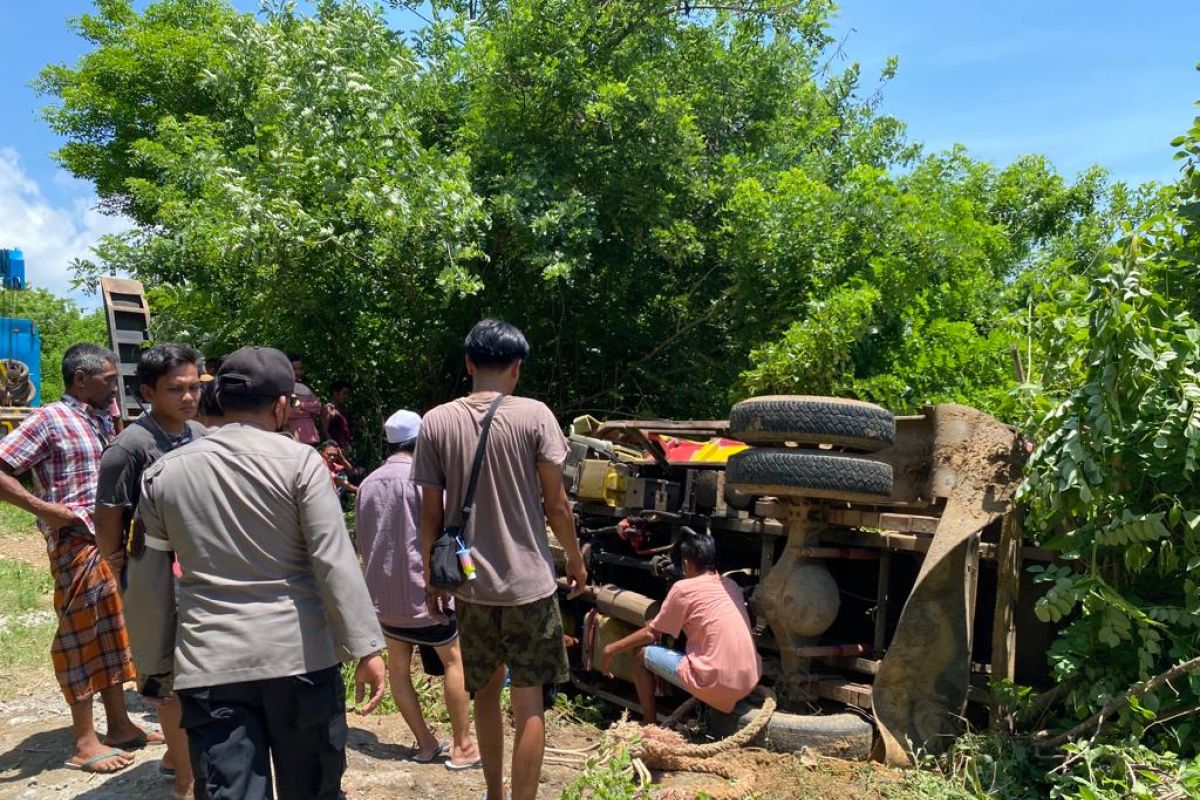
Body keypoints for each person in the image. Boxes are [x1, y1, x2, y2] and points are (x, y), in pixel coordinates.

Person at [130, 346, 387, 800]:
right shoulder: (301, 463)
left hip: (211, 663)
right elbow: (333, 559)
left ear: (220, 401)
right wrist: (365, 648)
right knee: (312, 788)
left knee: (232, 792)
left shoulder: (164, 474)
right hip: (301, 658)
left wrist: (153, 666)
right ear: (281, 404)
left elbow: (148, 584)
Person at [414, 319, 588, 800]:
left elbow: (430, 512)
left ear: (469, 363)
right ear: (516, 367)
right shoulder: (535, 416)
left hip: (471, 586)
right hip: (530, 583)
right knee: (529, 700)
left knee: (485, 695)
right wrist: (575, 561)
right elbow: (556, 505)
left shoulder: (436, 421)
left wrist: (432, 578)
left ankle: (493, 793)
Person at [0, 343, 160, 774]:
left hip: (110, 539)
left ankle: (120, 726)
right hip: (76, 542)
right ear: (81, 379)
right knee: (81, 637)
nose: (115, 387)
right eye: (108, 380)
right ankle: (84, 742)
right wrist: (47, 510)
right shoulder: (50, 418)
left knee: (112, 633)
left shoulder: (104, 419)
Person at [95, 343, 206, 798]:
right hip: (155, 574)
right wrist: (123, 563)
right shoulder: (130, 447)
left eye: (193, 387)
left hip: (197, 575)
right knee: (166, 678)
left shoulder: (200, 435)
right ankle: (186, 783)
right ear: (147, 392)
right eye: (175, 389)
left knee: (198, 672)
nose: (188, 397)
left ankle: (173, 756)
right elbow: (108, 521)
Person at [356, 409, 480, 770]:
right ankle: (463, 747)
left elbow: (362, 540)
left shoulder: (368, 483)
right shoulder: (426, 481)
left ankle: (425, 745)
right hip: (426, 595)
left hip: (383, 600)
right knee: (454, 661)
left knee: (398, 668)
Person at [599, 529, 762, 723]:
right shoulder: (731, 586)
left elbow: (652, 633)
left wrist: (611, 649)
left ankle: (649, 724)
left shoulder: (683, 589)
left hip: (717, 683)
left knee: (640, 654)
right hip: (750, 678)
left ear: (686, 563)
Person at [286, 354, 322, 445]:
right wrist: (307, 413)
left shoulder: (306, 387)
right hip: (292, 436)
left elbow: (317, 407)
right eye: (294, 369)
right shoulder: (284, 388)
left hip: (311, 436)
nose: (298, 372)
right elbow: (289, 412)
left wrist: (301, 404)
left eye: (300, 369)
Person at [321, 380, 352, 449]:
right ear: (335, 393)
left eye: (348, 394)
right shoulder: (328, 408)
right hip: (335, 449)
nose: (346, 396)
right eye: (344, 393)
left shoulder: (342, 409)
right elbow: (324, 430)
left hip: (344, 447)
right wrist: (334, 446)